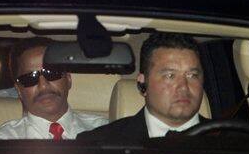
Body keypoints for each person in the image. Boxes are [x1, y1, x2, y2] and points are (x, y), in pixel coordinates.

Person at [77, 32, 207, 143]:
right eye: (170, 75)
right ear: (142, 83)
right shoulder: (97, 144)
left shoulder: (226, 141)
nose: (183, 87)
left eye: (192, 75)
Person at [0, 37, 108, 140]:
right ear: (19, 90)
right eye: (30, 77)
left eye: (51, 72)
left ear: (68, 79)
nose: (43, 85)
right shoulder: (2, 143)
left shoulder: (105, 133)